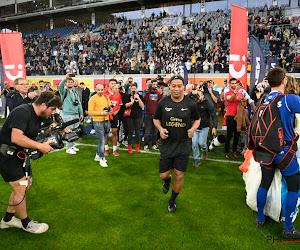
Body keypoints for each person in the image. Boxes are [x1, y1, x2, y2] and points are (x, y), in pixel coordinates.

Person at [0, 91, 63, 234]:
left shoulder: (41, 115)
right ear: (43, 105)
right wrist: (40, 146)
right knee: (21, 187)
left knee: (24, 186)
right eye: (52, 109)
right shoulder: (22, 112)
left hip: (20, 155)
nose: (52, 113)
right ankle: (26, 224)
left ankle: (8, 220)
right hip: (6, 155)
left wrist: (63, 130)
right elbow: (16, 137)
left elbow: (50, 126)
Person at [255, 67, 300, 239]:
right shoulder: (289, 99)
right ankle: (288, 228)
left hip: (265, 151)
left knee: (264, 183)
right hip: (284, 152)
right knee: (294, 185)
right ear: (283, 81)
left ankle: (260, 218)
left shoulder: (264, 99)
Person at [153, 75, 200, 213]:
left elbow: (197, 119)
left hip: (183, 144)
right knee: (163, 174)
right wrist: (161, 129)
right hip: (167, 144)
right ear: (169, 87)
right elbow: (156, 119)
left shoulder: (191, 103)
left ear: (183, 87)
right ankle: (167, 180)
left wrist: (192, 129)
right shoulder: (163, 103)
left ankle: (172, 200)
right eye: (174, 86)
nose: (177, 89)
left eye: (180, 86)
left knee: (180, 175)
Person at [188, 88, 218, 167]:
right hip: (194, 127)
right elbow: (184, 100)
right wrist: (191, 93)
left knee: (202, 143)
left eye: (198, 96)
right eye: (195, 96)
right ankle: (196, 159)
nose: (196, 98)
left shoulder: (208, 103)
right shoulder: (193, 101)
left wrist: (214, 127)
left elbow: (214, 116)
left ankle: (204, 151)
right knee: (194, 143)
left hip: (204, 126)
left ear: (202, 96)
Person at [58, 74, 84, 154]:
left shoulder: (74, 91)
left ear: (73, 83)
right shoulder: (64, 91)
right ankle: (68, 148)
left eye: (71, 82)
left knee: (74, 130)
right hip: (68, 113)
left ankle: (72, 145)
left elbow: (79, 103)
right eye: (68, 82)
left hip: (76, 113)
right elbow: (60, 87)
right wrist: (64, 79)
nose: (70, 83)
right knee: (68, 130)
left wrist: (81, 113)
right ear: (66, 83)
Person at [88, 84, 112, 167]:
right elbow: (90, 112)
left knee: (103, 139)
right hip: (98, 122)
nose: (100, 91)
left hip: (107, 120)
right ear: (95, 89)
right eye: (99, 90)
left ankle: (98, 155)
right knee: (102, 141)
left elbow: (109, 106)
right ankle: (102, 158)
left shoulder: (106, 97)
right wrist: (101, 113)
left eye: (102, 89)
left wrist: (110, 110)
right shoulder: (92, 99)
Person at [224, 78, 244, 159]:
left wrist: (243, 100)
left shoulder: (240, 93)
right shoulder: (227, 93)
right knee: (229, 135)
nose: (234, 84)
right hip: (230, 116)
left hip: (238, 117)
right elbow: (231, 99)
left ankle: (234, 151)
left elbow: (244, 103)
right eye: (232, 83)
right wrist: (235, 92)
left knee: (237, 135)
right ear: (229, 84)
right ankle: (226, 152)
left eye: (235, 83)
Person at [124, 82, 144, 154]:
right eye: (132, 88)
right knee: (130, 131)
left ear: (136, 89)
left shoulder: (140, 96)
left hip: (138, 116)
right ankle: (129, 147)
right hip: (130, 116)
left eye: (135, 89)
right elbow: (126, 105)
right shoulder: (127, 96)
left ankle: (137, 147)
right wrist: (131, 102)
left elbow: (142, 106)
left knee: (138, 131)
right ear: (130, 89)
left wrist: (138, 98)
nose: (133, 90)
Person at [104, 79, 122, 156]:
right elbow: (105, 101)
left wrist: (116, 111)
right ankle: (106, 149)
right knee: (106, 132)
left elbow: (119, 105)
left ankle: (115, 149)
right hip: (107, 115)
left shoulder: (118, 94)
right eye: (112, 83)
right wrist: (112, 93)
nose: (113, 84)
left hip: (115, 115)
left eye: (115, 83)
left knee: (115, 132)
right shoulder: (105, 93)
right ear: (109, 84)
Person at [143, 80, 163, 150]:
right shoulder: (148, 93)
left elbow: (162, 101)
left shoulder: (158, 93)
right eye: (153, 84)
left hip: (156, 115)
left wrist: (160, 93)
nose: (154, 86)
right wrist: (146, 92)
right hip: (148, 114)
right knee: (147, 132)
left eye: (155, 85)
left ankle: (154, 144)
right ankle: (146, 145)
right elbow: (144, 100)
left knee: (155, 132)